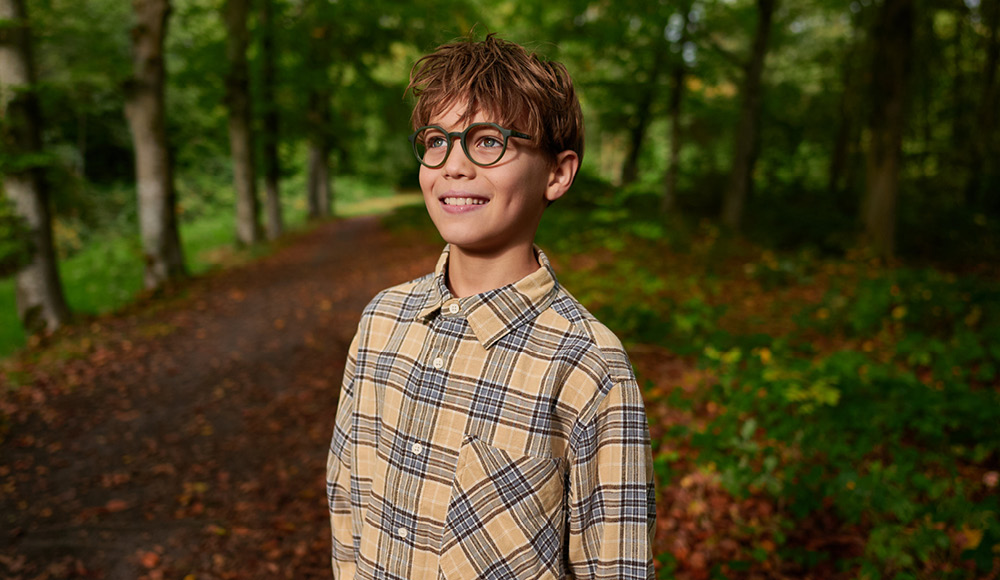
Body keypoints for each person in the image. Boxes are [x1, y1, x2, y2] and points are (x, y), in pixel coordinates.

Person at [326, 33, 656, 579]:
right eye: (437, 141)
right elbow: (346, 504)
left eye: (487, 141)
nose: (453, 165)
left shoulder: (589, 365)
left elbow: (615, 565)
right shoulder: (382, 321)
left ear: (557, 173)